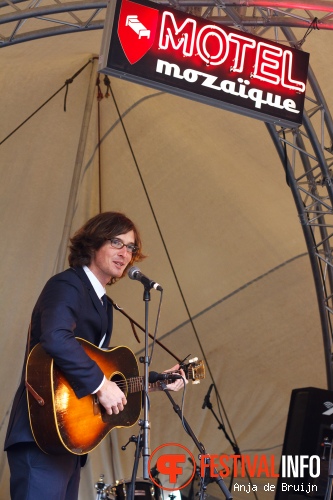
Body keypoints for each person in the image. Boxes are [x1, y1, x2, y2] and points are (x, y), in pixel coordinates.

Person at [4, 211, 185, 500]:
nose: (125, 253)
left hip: (70, 440)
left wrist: (157, 382)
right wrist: (101, 385)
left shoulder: (103, 303)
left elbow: (100, 372)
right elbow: (55, 336)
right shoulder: (67, 285)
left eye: (131, 247)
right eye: (117, 242)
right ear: (93, 243)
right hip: (42, 433)